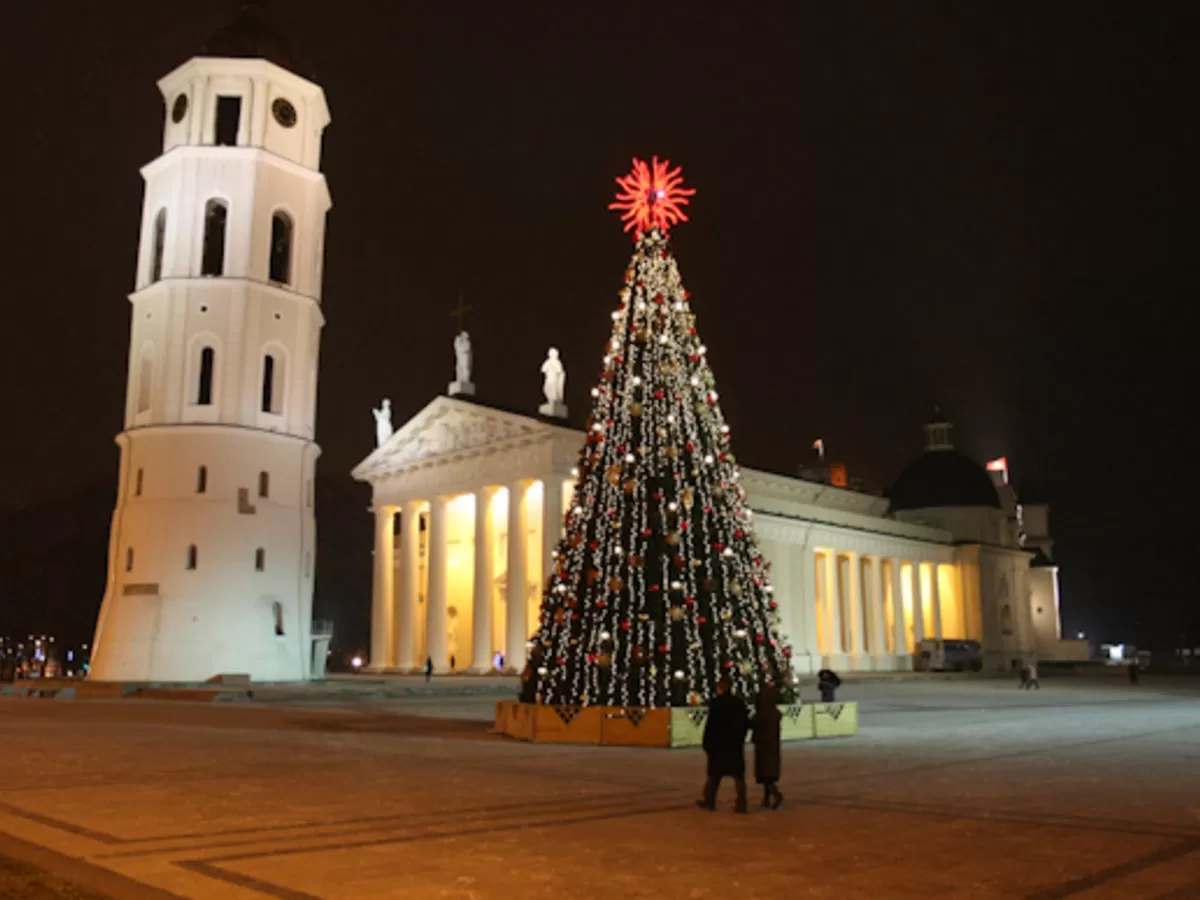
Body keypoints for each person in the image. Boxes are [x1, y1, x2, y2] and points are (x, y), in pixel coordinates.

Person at [697, 676, 750, 814]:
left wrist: (707, 743)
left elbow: (711, 725)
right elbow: (745, 724)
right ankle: (742, 803)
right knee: (738, 776)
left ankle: (710, 801)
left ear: (720, 688)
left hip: (719, 745)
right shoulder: (739, 703)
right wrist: (740, 738)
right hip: (734, 745)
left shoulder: (716, 704)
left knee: (714, 775)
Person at [752, 684, 783, 809]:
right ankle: (766, 799)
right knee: (768, 774)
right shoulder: (774, 713)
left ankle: (775, 794)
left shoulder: (762, 714)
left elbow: (754, 724)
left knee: (765, 774)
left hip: (763, 746)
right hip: (772, 746)